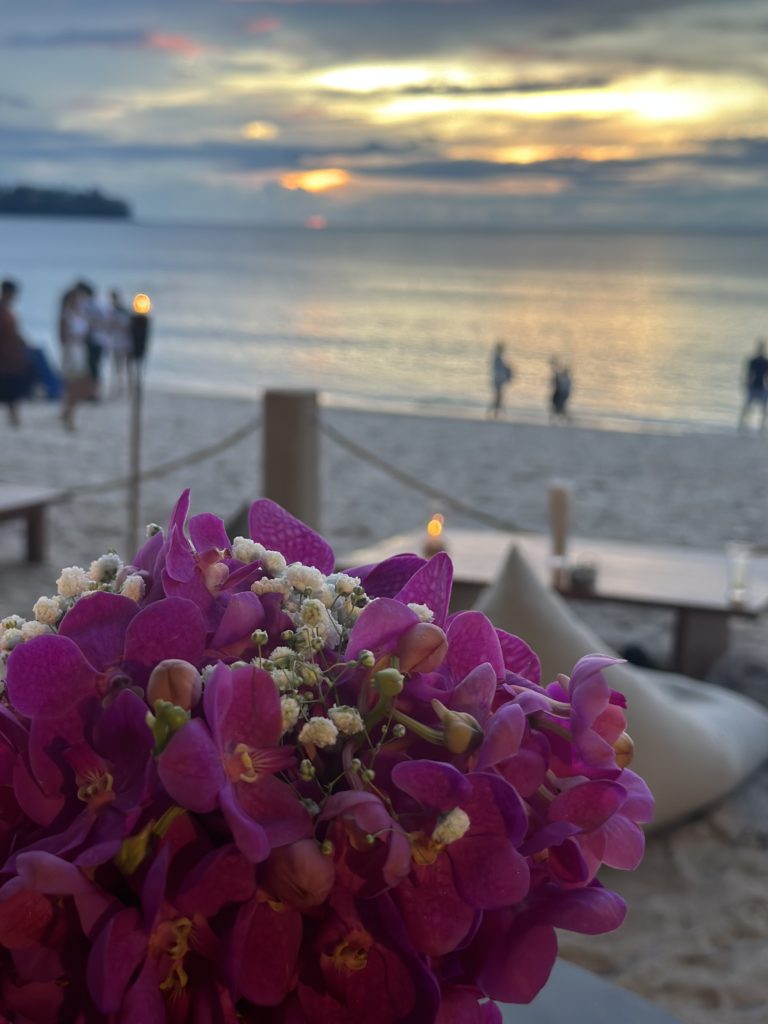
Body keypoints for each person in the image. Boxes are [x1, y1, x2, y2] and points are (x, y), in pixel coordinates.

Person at [59, 281, 95, 431]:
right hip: (72, 351)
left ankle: (67, 412)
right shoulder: (66, 315)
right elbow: (62, 337)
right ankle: (69, 415)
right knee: (76, 384)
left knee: (81, 385)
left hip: (80, 350)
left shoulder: (80, 314)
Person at [0, 279, 33, 427]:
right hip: (6, 356)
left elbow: (14, 332)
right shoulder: (3, 310)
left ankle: (14, 419)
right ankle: (14, 419)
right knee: (9, 388)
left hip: (11, 356)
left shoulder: (7, 310)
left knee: (11, 389)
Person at [104, 290, 132, 397]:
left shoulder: (122, 311)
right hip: (117, 341)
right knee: (118, 366)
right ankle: (119, 387)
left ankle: (126, 387)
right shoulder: (113, 311)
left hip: (124, 341)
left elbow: (127, 327)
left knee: (125, 366)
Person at [738, 338, 768, 431]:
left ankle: (760, 426)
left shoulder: (764, 362)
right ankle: (742, 425)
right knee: (747, 408)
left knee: (762, 409)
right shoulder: (753, 361)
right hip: (755, 387)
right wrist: (747, 385)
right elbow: (749, 375)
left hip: (760, 387)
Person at [488, 341, 513, 418]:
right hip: (498, 380)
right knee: (498, 397)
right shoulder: (497, 357)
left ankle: (496, 413)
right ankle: (495, 413)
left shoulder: (498, 357)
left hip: (498, 380)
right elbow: (498, 370)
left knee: (498, 397)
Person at [550, 357, 572, 422]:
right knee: (560, 407)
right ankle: (564, 418)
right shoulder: (566, 378)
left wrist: (554, 364)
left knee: (559, 406)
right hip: (562, 394)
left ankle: (563, 418)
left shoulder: (565, 378)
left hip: (561, 394)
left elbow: (558, 382)